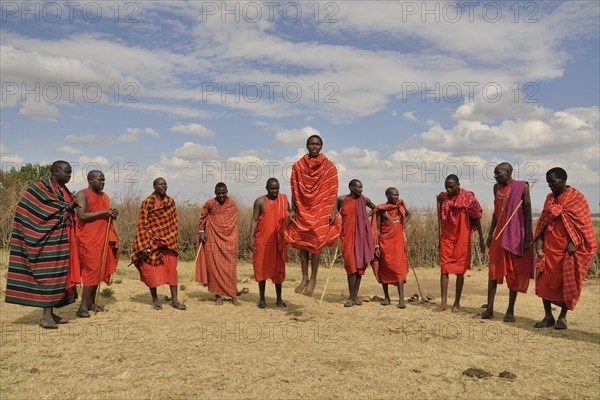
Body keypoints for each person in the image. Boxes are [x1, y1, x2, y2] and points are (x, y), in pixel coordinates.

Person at [5, 161, 80, 329]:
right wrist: (64, 207)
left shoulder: (63, 190)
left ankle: (51, 312)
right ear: (54, 171)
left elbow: (64, 208)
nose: (69, 175)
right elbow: (26, 209)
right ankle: (45, 316)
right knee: (49, 276)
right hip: (46, 241)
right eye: (66, 172)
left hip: (62, 240)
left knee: (60, 276)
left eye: (70, 172)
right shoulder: (39, 188)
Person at [533, 167, 597, 330]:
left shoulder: (576, 198)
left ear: (563, 179)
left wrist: (574, 242)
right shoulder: (549, 198)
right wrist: (539, 240)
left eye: (552, 182)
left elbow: (583, 225)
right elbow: (544, 220)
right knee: (544, 281)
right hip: (548, 246)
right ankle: (548, 316)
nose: (550, 185)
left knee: (566, 282)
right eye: (548, 183)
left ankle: (562, 317)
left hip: (567, 250)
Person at [284, 134, 341, 297]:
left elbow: (333, 190)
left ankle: (314, 279)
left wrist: (332, 210)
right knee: (303, 244)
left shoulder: (329, 167)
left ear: (321, 146)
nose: (314, 146)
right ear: (307, 146)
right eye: (311, 144)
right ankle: (304, 278)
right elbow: (295, 188)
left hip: (322, 209)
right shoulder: (298, 166)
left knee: (316, 244)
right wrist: (294, 208)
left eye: (317, 144)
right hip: (303, 208)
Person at [481, 162, 533, 322]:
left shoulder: (521, 187)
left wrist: (527, 239)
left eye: (499, 173)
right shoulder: (496, 188)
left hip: (515, 236)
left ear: (509, 172)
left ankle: (510, 311)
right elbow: (497, 213)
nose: (496, 176)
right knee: (493, 272)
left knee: (513, 274)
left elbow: (529, 214)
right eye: (495, 173)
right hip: (499, 236)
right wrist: (490, 234)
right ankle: (489, 309)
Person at [132, 178, 186, 310]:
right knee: (151, 271)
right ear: (154, 186)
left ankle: (174, 300)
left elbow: (174, 223)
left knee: (171, 272)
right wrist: (144, 244)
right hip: (151, 242)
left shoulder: (170, 202)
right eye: (160, 184)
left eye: (165, 184)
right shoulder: (147, 202)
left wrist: (168, 239)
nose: (163, 186)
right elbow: (142, 224)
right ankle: (155, 300)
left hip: (168, 243)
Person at [434, 175, 485, 312]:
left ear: (458, 184)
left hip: (462, 237)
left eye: (451, 186)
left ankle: (456, 303)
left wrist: (481, 238)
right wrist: (439, 237)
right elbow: (440, 219)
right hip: (447, 237)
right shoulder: (443, 198)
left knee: (460, 271)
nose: (448, 189)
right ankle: (444, 302)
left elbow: (477, 218)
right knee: (444, 269)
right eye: (446, 187)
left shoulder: (468, 198)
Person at [75, 170, 119, 318]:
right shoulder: (82, 194)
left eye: (104, 180)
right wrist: (104, 212)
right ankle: (82, 307)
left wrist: (112, 213)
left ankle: (91, 303)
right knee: (91, 271)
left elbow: (106, 215)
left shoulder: (103, 196)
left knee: (98, 271)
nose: (102, 182)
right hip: (88, 240)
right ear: (90, 180)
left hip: (102, 238)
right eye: (100, 180)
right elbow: (81, 215)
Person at [196, 182, 240, 306]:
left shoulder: (232, 205)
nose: (221, 195)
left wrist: (233, 239)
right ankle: (218, 296)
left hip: (229, 240)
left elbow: (233, 224)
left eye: (223, 193)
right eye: (218, 193)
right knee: (214, 268)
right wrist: (201, 232)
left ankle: (233, 296)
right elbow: (202, 219)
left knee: (230, 269)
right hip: (213, 240)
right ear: (215, 193)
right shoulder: (210, 204)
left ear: (227, 192)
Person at [250, 178, 289, 308]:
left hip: (278, 241)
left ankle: (279, 299)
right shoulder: (260, 201)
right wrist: (251, 239)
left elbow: (289, 215)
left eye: (277, 188)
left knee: (279, 271)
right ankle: (262, 299)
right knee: (261, 268)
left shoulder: (283, 200)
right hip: (262, 241)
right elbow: (254, 220)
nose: (275, 191)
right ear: (266, 188)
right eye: (272, 188)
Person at [337, 179, 376, 307]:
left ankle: (355, 297)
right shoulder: (342, 199)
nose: (361, 190)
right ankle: (351, 297)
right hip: (347, 237)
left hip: (362, 238)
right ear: (351, 188)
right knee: (351, 267)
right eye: (359, 187)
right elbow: (335, 214)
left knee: (359, 267)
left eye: (362, 187)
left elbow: (376, 208)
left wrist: (367, 216)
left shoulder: (364, 200)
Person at [371, 187, 411, 308]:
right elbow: (376, 229)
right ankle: (387, 297)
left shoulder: (400, 207)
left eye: (397, 195)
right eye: (394, 195)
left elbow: (408, 214)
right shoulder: (381, 210)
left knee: (399, 270)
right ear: (387, 195)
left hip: (398, 243)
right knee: (385, 269)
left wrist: (402, 223)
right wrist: (376, 246)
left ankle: (401, 300)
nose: (397, 197)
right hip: (384, 243)